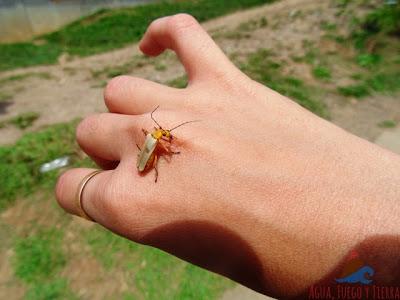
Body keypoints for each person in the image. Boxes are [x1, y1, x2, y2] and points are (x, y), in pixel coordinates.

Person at [55, 14, 400, 299]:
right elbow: (156, 147)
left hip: (148, 159)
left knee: (159, 155)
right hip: (148, 163)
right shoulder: (156, 141)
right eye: (161, 133)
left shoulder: (158, 138)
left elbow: (159, 142)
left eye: (162, 133)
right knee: (157, 157)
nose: (162, 135)